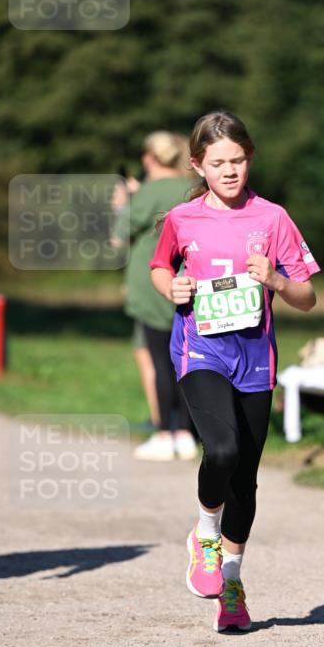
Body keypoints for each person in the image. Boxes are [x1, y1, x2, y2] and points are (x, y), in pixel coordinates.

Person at [149, 110, 319, 631]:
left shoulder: (273, 218)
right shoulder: (183, 220)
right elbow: (160, 266)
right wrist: (171, 288)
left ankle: (232, 582)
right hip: (200, 352)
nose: (230, 171)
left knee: (244, 476)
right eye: (218, 162)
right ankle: (204, 534)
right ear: (198, 165)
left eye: (239, 160)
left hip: (255, 361)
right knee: (220, 449)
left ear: (250, 160)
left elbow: (308, 297)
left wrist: (275, 279)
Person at [112, 132, 198, 461]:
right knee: (188, 358)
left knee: (161, 360)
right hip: (188, 279)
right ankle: (189, 432)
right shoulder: (192, 189)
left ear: (150, 157)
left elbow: (119, 239)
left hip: (152, 285)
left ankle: (166, 432)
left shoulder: (147, 192)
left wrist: (123, 207)